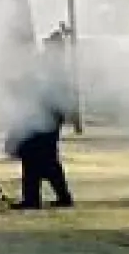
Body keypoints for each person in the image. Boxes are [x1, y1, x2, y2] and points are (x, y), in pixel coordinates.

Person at [6, 34, 76, 210]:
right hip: (45, 115)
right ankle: (55, 197)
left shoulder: (54, 68)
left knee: (35, 157)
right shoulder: (53, 66)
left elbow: (43, 89)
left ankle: (34, 199)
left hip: (46, 116)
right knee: (45, 159)